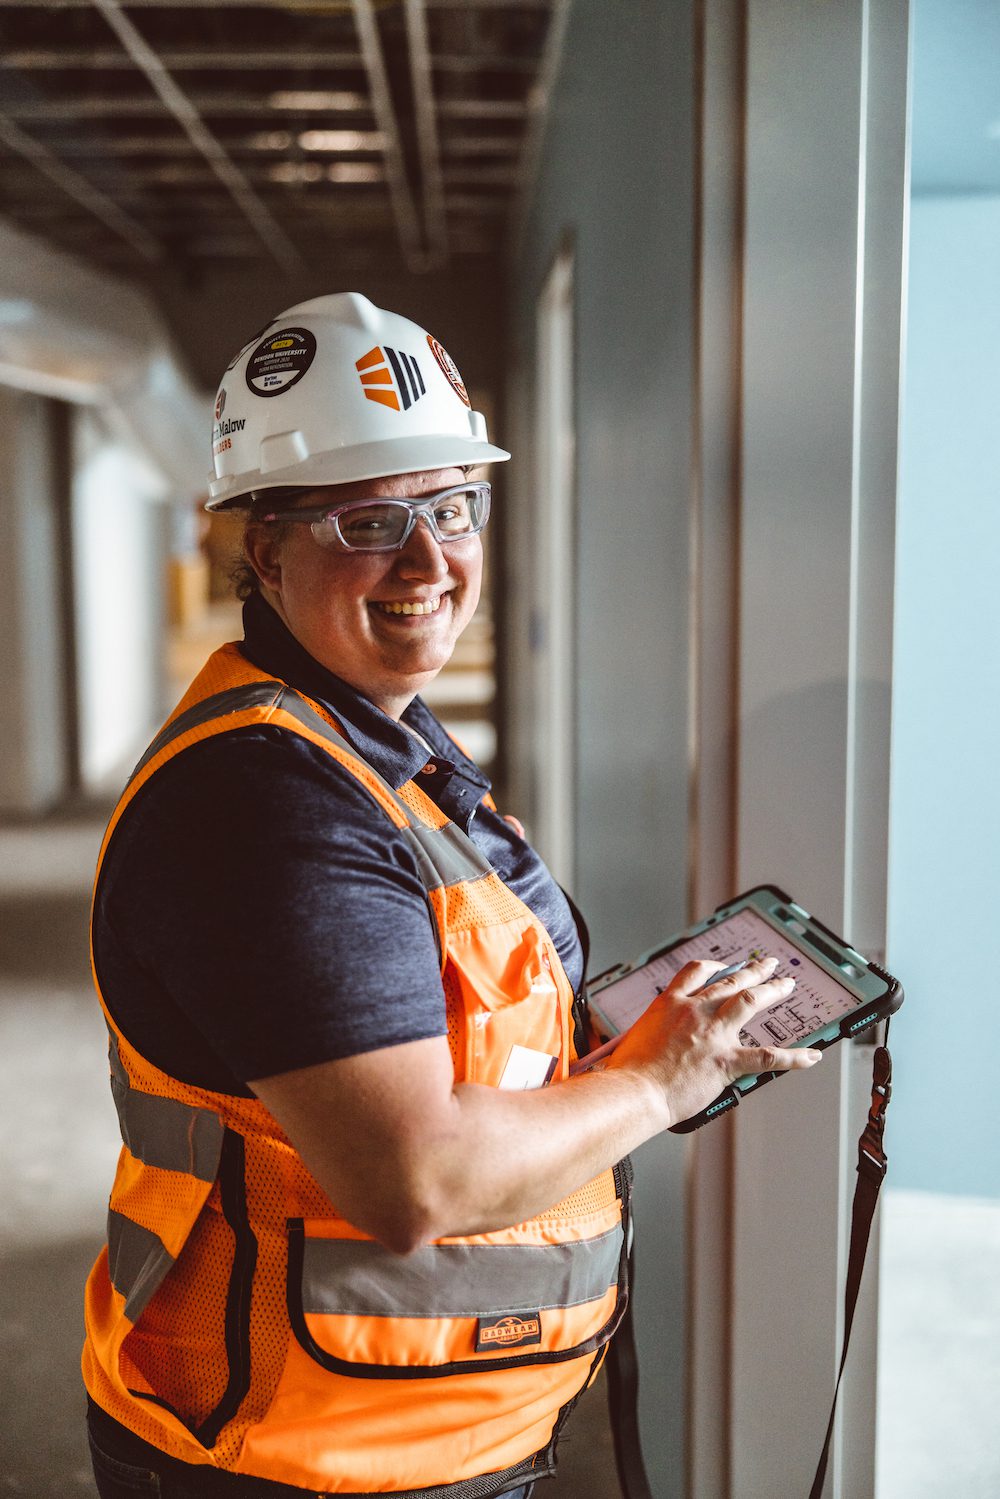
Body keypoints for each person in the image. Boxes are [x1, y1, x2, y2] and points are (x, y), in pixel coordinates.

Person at [82, 293, 819, 1499]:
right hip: (298, 1457)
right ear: (263, 553)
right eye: (370, 519)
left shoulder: (384, 747)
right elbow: (411, 1176)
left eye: (452, 506)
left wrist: (658, 1038)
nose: (430, 561)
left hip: (418, 1432)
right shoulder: (266, 805)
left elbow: (475, 1026)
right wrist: (654, 1077)